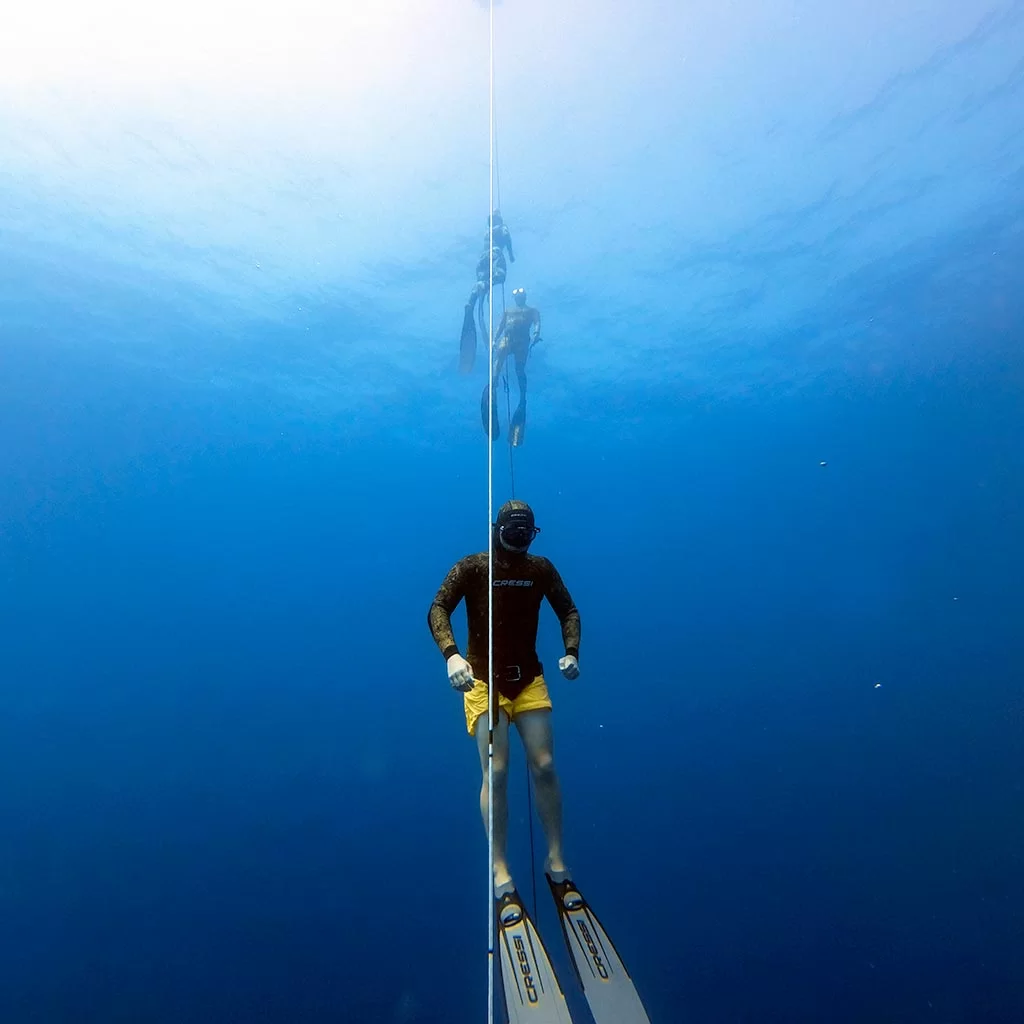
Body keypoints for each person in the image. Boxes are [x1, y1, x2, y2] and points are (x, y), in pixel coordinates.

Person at [427, 500, 580, 898]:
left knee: (544, 765)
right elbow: (438, 607)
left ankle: (556, 858)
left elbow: (568, 610)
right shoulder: (474, 567)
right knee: (496, 773)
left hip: (527, 679)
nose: (518, 541)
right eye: (512, 533)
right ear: (496, 530)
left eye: (525, 534)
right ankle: (498, 866)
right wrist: (452, 655)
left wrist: (571, 650)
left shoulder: (540, 569)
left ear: (533, 535)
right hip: (481, 682)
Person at [480, 286, 542, 446]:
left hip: (522, 341)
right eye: (516, 294)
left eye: (520, 294)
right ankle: (493, 384)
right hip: (508, 339)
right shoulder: (508, 311)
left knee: (519, 369)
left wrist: (536, 334)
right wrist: (494, 339)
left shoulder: (532, 310)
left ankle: (522, 398)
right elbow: (501, 326)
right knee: (499, 357)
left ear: (525, 296)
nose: (518, 296)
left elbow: (537, 324)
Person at [459, 211, 516, 374]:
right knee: (499, 277)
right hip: (495, 254)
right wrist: (511, 255)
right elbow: (507, 237)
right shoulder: (501, 228)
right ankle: (482, 289)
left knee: (480, 284)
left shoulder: (487, 232)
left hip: (482, 259)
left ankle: (472, 301)